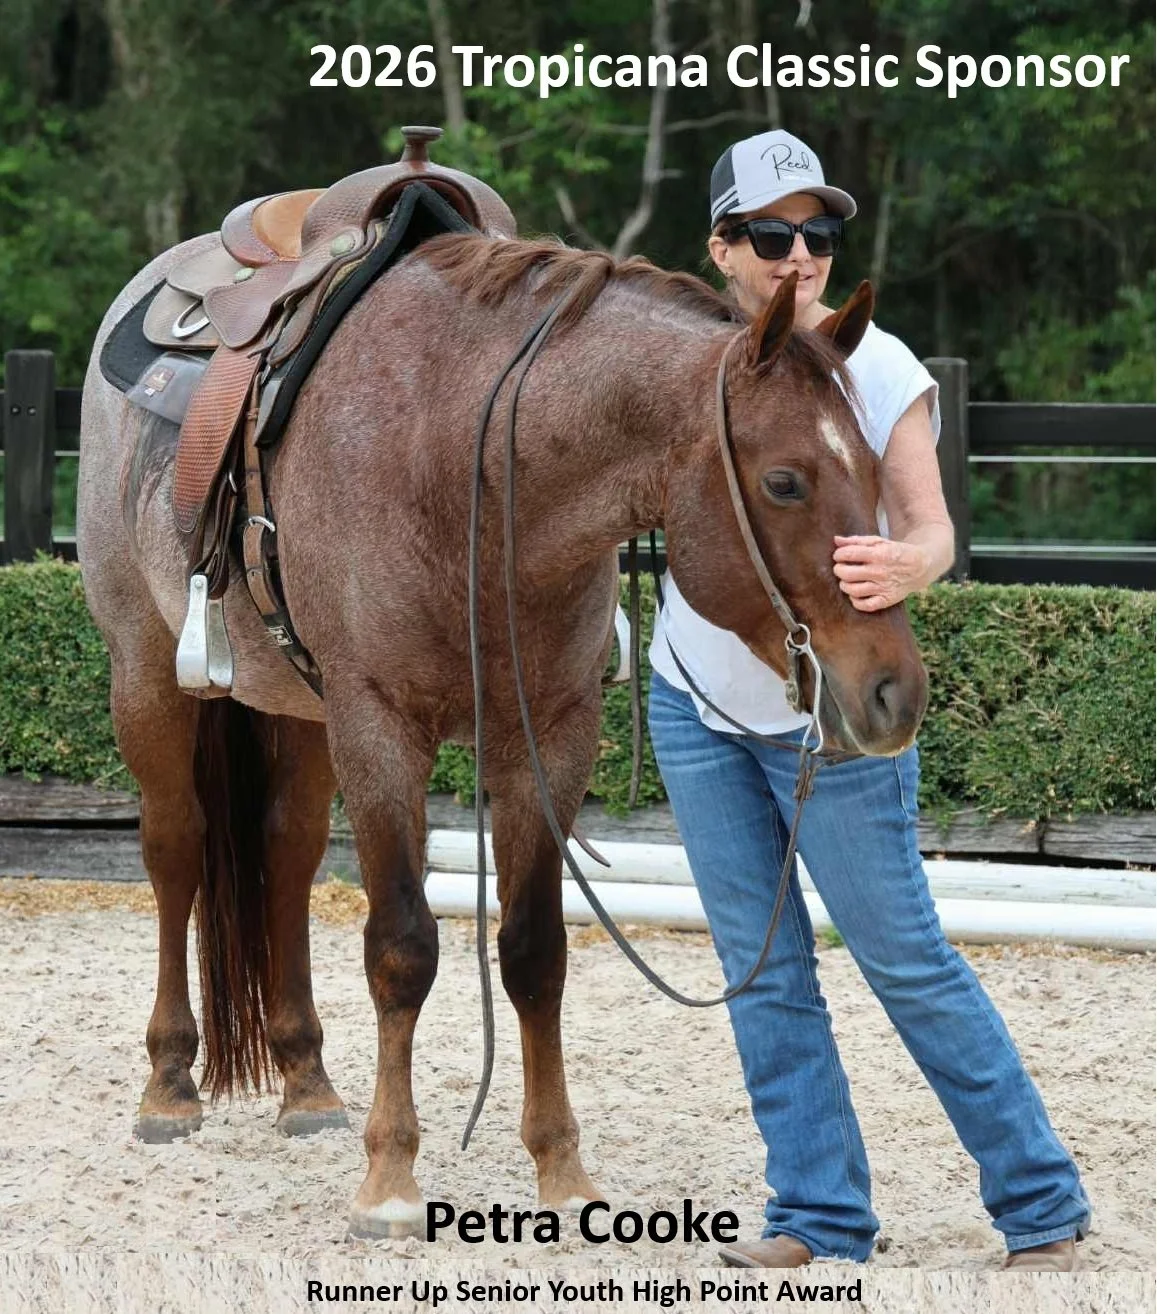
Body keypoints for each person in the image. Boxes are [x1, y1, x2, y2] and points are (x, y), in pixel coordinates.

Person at [647, 129, 1090, 1271]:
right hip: (694, 704)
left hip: (829, 720)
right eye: (771, 234)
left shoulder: (878, 365)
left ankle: (1038, 1199)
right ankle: (816, 1214)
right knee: (760, 971)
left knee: (902, 959)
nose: (799, 254)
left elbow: (931, 530)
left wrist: (909, 563)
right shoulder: (682, 365)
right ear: (720, 248)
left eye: (819, 233)